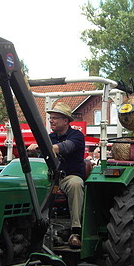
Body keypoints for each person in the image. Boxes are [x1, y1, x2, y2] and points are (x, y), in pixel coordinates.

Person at [27, 102, 86, 248]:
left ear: (66, 120)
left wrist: (41, 147)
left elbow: (65, 147)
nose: (51, 120)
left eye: (55, 118)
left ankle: (76, 230)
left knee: (75, 184)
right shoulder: (49, 137)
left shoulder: (77, 136)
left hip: (68, 176)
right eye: (50, 118)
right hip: (50, 177)